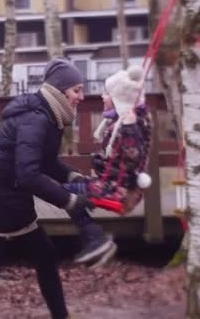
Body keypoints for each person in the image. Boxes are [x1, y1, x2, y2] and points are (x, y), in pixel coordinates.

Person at [0, 57, 96, 319]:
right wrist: (69, 200)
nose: (82, 96)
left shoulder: (49, 114)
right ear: (60, 90)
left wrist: (72, 176)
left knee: (45, 257)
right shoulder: (38, 120)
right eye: (77, 90)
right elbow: (29, 176)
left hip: (9, 199)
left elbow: (42, 160)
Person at [62, 65, 152, 268]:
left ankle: (96, 238)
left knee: (60, 193)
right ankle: (94, 237)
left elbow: (133, 156)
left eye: (107, 93)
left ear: (119, 97)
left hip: (116, 192)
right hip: (113, 186)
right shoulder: (125, 121)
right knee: (65, 190)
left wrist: (128, 127)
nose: (103, 97)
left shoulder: (130, 124)